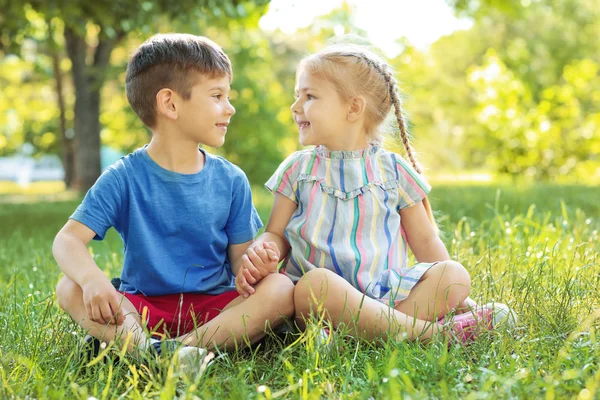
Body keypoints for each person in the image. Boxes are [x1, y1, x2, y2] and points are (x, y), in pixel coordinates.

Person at [236, 44, 516, 344]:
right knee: (314, 284)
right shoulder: (298, 169)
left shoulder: (393, 171)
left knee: (455, 275)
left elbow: (425, 241)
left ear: (353, 108)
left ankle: (361, 335)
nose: (296, 106)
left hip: (387, 294)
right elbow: (276, 233)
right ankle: (435, 335)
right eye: (297, 95)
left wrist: (457, 297)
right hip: (320, 300)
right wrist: (267, 249)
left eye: (310, 96)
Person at [53, 34, 295, 366]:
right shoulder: (123, 176)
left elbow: (241, 265)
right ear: (170, 103)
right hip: (141, 307)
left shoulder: (231, 180)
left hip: (214, 309)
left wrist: (256, 267)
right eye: (217, 95)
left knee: (280, 288)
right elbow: (67, 240)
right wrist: (92, 280)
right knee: (69, 288)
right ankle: (165, 351)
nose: (230, 107)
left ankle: (160, 351)